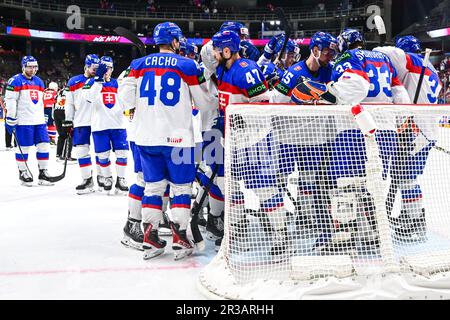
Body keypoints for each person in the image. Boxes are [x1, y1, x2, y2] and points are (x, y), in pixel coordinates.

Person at [294, 28, 411, 252]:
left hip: (355, 128)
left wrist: (327, 93)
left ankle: (343, 238)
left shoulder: (349, 57)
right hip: (385, 129)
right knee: (373, 184)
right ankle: (372, 235)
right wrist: (400, 120)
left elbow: (357, 86)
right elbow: (401, 95)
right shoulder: (385, 59)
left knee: (345, 185)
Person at [119, 22, 216, 261]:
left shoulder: (137, 65)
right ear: (174, 41)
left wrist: (140, 109)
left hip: (146, 137)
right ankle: (181, 238)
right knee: (181, 189)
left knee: (153, 188)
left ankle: (150, 239)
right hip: (178, 139)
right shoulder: (187, 64)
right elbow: (203, 103)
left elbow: (126, 99)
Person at [373, 35, 442, 242]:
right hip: (426, 130)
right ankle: (408, 215)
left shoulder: (408, 58)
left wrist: (373, 50)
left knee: (407, 179)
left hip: (415, 130)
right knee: (403, 176)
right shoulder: (433, 71)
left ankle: (414, 222)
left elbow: (380, 53)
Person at [4, 56, 59, 186]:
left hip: (39, 121)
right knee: (24, 147)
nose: (33, 69)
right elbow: (11, 101)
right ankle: (23, 172)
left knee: (44, 144)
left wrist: (44, 118)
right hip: (23, 121)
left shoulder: (40, 81)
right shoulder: (15, 81)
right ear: (23, 67)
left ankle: (43, 173)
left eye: (35, 67)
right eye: (30, 67)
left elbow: (39, 103)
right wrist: (11, 118)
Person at [83, 56, 130, 195]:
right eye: (103, 68)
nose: (106, 70)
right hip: (100, 126)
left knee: (122, 153)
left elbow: (126, 101)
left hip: (118, 125)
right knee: (103, 155)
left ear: (112, 69)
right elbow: (89, 98)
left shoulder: (118, 84)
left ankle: (121, 179)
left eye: (108, 68)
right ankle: (107, 178)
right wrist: (98, 81)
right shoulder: (91, 82)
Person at [64, 54, 103, 195]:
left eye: (98, 68)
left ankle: (103, 177)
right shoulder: (74, 81)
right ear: (86, 66)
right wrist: (69, 118)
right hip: (81, 121)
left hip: (100, 123)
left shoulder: (103, 80)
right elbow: (69, 102)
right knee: (81, 151)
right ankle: (87, 179)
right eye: (93, 68)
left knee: (102, 151)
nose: (96, 70)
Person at [53, 84, 74, 161]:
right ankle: (66, 155)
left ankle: (59, 153)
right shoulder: (71, 91)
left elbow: (54, 102)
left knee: (61, 135)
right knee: (69, 134)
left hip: (56, 112)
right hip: (65, 112)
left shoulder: (60, 91)